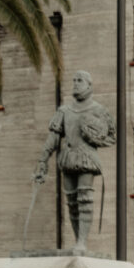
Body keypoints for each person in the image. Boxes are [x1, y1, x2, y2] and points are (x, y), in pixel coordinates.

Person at [34, 71, 116, 253]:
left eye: (80, 81)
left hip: (86, 158)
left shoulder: (98, 110)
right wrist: (43, 160)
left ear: (89, 85)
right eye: (74, 80)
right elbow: (53, 138)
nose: (76, 83)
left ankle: (82, 243)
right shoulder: (64, 110)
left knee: (84, 198)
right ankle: (78, 241)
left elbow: (111, 136)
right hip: (68, 158)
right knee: (71, 201)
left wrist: (94, 137)